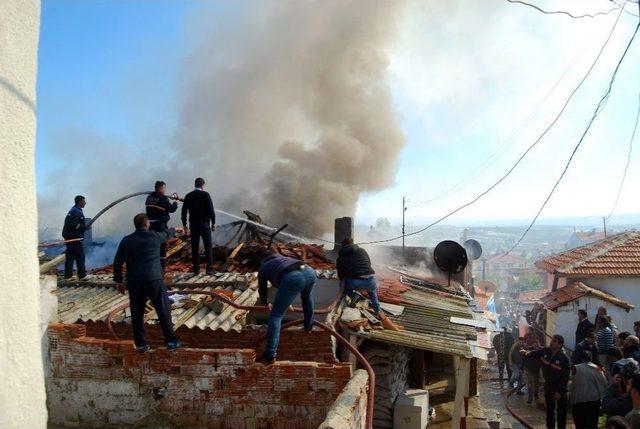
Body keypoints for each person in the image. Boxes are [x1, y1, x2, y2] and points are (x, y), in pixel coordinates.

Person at [113, 213, 180, 353]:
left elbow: (117, 262)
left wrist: (119, 281)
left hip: (135, 281)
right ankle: (171, 342)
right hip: (153, 279)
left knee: (137, 314)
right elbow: (167, 234)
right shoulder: (154, 236)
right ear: (146, 224)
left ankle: (141, 345)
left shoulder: (126, 240)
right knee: (163, 310)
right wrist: (175, 229)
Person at [258, 250, 316, 363]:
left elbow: (262, 289)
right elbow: (283, 287)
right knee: (307, 297)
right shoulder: (284, 259)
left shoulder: (264, 266)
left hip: (293, 277)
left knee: (276, 316)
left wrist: (266, 302)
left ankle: (269, 355)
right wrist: (287, 303)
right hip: (309, 272)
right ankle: (309, 326)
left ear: (263, 260)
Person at [526, 334, 571, 429]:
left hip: (560, 388)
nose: (551, 342)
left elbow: (565, 377)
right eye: (552, 340)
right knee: (549, 411)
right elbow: (535, 353)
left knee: (561, 413)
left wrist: (559, 391)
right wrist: (527, 353)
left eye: (554, 341)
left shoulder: (564, 359)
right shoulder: (545, 351)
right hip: (549, 386)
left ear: (560, 344)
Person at [336, 238, 381, 316]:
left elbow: (341, 275)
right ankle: (378, 311)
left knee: (343, 284)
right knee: (372, 292)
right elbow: (369, 263)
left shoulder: (341, 257)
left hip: (357, 283)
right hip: (372, 280)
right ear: (353, 243)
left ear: (342, 246)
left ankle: (353, 296)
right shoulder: (362, 250)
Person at [181, 178, 216, 275]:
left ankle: (196, 269)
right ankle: (209, 269)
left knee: (195, 247)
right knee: (208, 246)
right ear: (202, 185)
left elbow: (184, 212)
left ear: (195, 185)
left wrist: (184, 224)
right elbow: (211, 210)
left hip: (193, 225)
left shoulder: (188, 196)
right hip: (204, 224)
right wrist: (213, 223)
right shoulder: (205, 195)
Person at [145, 180, 179, 270]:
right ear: (160, 188)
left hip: (150, 225)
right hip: (160, 226)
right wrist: (175, 202)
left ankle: (153, 266)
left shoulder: (149, 197)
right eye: (164, 188)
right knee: (162, 246)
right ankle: (161, 268)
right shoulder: (163, 198)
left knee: (153, 245)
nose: (165, 190)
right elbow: (171, 209)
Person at [570, 350, 608, 429]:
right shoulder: (598, 368)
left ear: (581, 358)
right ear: (591, 358)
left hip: (578, 401)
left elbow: (572, 383)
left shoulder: (575, 368)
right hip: (593, 402)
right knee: (592, 424)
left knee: (580, 424)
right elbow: (604, 382)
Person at [62, 195, 91, 280]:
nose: (85, 203)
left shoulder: (75, 210)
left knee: (70, 257)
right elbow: (73, 224)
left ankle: (68, 276)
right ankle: (82, 276)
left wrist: (83, 227)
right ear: (80, 202)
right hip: (74, 238)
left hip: (71, 237)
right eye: (84, 201)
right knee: (80, 256)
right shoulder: (75, 211)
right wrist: (84, 227)